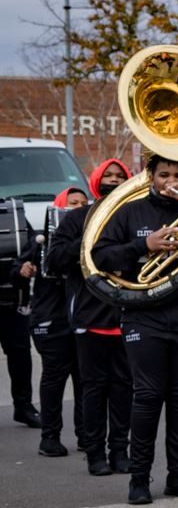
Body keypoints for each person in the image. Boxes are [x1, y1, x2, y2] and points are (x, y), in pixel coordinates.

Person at [92, 153, 178, 505]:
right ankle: (139, 478)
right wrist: (143, 245)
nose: (171, 181)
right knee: (147, 396)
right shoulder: (130, 212)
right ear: (150, 176)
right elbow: (101, 256)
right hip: (142, 317)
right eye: (164, 174)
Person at [47, 159, 132, 476]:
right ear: (97, 180)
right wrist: (89, 242)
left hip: (128, 314)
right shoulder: (77, 218)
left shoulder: (132, 216)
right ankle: (95, 453)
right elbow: (54, 259)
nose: (113, 179)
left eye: (119, 176)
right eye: (108, 175)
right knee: (94, 389)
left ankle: (120, 450)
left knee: (125, 389)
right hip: (90, 315)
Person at [25, 187, 89, 457]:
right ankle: (49, 436)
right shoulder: (43, 239)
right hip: (51, 318)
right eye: (73, 203)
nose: (78, 207)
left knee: (84, 379)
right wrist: (23, 268)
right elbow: (22, 263)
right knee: (54, 377)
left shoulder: (93, 235)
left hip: (80, 316)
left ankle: (86, 435)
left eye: (84, 204)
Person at [2, 200, 40, 430]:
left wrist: (29, 262)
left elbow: (32, 243)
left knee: (20, 356)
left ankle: (23, 406)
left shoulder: (11, 213)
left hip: (10, 301)